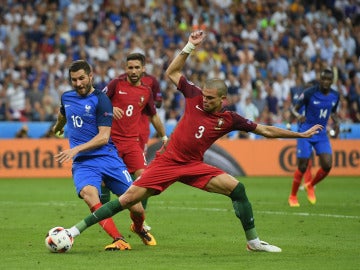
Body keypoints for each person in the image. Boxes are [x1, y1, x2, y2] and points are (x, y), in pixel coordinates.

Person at [63, 31, 322, 252]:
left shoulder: (230, 119)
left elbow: (265, 130)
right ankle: (74, 231)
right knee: (128, 200)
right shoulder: (193, 95)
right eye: (205, 96)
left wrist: (299, 135)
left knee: (237, 189)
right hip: (167, 162)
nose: (204, 101)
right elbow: (172, 71)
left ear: (223, 100)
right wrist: (189, 47)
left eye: (210, 98)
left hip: (193, 165)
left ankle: (253, 241)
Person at [52, 60, 156, 251]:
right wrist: (57, 127)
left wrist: (75, 149)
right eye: (74, 80)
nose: (78, 83)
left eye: (82, 78)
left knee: (137, 208)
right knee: (89, 194)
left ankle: (139, 227)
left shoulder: (101, 100)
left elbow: (103, 137)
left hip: (108, 158)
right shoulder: (66, 97)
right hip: (84, 163)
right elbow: (63, 114)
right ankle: (118, 239)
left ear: (90, 77)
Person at [100, 53, 167, 234]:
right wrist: (110, 108)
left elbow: (153, 115)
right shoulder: (116, 84)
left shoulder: (146, 91)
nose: (134, 71)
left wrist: (164, 137)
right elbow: (98, 100)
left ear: (143, 69)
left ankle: (139, 219)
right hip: (111, 142)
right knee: (105, 182)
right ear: (125, 68)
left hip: (132, 143)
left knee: (145, 179)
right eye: (130, 67)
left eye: (137, 67)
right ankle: (103, 217)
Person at [288, 68, 340, 206]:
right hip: (306, 131)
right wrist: (299, 116)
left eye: (328, 79)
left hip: (321, 134)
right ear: (320, 79)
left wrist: (337, 122)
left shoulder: (335, 95)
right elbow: (293, 108)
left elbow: (333, 112)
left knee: (327, 165)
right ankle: (293, 196)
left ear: (332, 81)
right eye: (323, 79)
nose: (325, 82)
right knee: (303, 165)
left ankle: (310, 185)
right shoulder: (310, 93)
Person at [287, 78, 313, 207]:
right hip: (302, 133)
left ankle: (308, 184)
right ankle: (302, 186)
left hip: (314, 134)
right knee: (303, 162)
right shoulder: (301, 102)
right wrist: (289, 123)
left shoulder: (315, 102)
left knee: (308, 160)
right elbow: (293, 110)